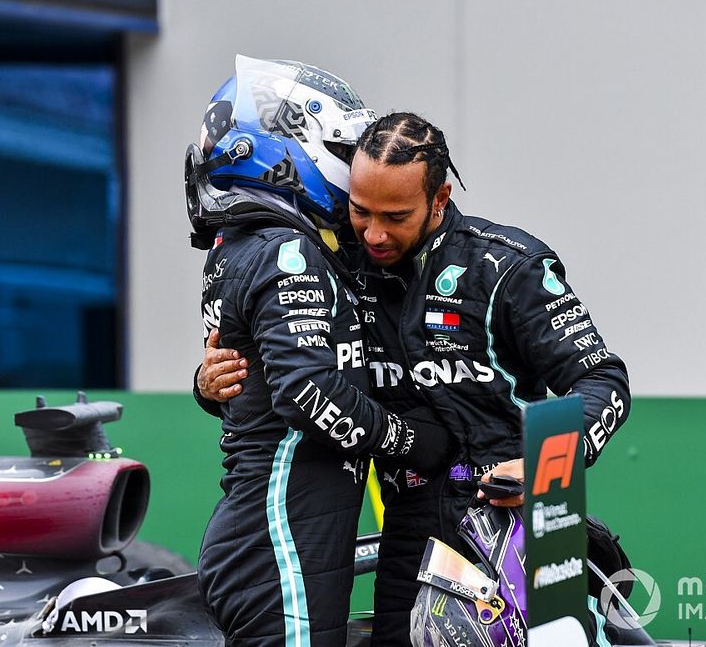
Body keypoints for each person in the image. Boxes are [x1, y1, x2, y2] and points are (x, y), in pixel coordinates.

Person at [200, 111, 630, 646]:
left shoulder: (507, 265)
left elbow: (604, 380)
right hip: (414, 526)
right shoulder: (338, 267)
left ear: (440, 198)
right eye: (360, 211)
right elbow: (297, 373)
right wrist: (210, 383)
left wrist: (548, 464)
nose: (375, 233)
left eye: (397, 216)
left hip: (530, 519)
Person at [187, 59, 452, 647]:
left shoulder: (253, 244)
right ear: (280, 153)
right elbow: (307, 394)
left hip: (280, 536)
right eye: (337, 148)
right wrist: (414, 442)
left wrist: (206, 385)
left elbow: (251, 375)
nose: (349, 165)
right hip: (277, 538)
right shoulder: (285, 251)